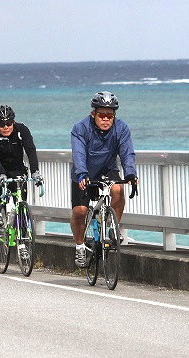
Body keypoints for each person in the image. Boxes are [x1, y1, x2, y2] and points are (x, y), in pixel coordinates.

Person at [70, 91, 137, 268]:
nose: (106, 119)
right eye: (102, 115)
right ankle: (79, 247)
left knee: (117, 190)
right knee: (80, 212)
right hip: (84, 172)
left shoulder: (121, 128)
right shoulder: (80, 128)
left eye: (110, 115)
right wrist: (82, 174)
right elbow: (78, 154)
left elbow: (127, 153)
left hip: (108, 169)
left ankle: (112, 228)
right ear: (93, 114)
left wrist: (130, 173)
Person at [0, 105, 43, 227]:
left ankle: (23, 229)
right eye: (1, 124)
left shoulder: (22, 130)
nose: (6, 127)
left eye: (9, 123)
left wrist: (35, 171)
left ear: (13, 122)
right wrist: (1, 174)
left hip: (16, 167)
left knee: (20, 198)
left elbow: (31, 150)